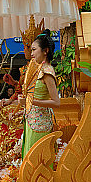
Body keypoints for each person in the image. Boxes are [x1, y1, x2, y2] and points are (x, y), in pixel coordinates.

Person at [17, 30, 60, 159]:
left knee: (37, 161)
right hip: (31, 121)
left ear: (45, 51)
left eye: (34, 49)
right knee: (29, 159)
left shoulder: (47, 72)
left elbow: (56, 102)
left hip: (41, 124)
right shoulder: (37, 70)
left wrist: (31, 102)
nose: (31, 53)